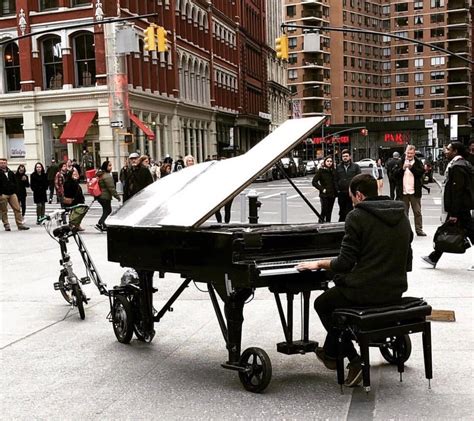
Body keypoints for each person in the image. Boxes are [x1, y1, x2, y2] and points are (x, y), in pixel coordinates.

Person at [296, 174, 412, 387]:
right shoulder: (401, 213)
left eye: (352, 197)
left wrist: (319, 264)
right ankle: (331, 352)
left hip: (366, 291)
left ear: (359, 194)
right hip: (395, 289)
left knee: (322, 303)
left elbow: (344, 263)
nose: (352, 202)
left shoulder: (357, 216)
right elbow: (408, 260)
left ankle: (353, 359)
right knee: (338, 293)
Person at [422, 142, 474, 268]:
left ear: (455, 151)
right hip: (460, 207)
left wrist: (454, 212)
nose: (446, 151)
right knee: (458, 230)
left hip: (459, 208)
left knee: (452, 230)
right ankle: (434, 257)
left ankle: (434, 257)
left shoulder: (457, 167)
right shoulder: (462, 164)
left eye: (448, 149)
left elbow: (458, 191)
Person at [392, 145, 426, 236]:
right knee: (404, 213)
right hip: (403, 192)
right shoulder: (400, 161)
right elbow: (394, 174)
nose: (409, 155)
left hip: (415, 192)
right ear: (405, 153)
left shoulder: (418, 162)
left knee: (417, 212)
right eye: (408, 153)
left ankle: (419, 229)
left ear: (414, 153)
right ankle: (405, 230)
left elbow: (421, 173)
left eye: (411, 153)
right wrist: (402, 169)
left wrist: (412, 168)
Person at [0, 158, 29, 230]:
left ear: (6, 163)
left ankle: (20, 224)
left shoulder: (10, 172)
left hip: (12, 193)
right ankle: (6, 224)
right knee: (4, 210)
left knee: (17, 208)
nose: (3, 164)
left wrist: (15, 190)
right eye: (1, 163)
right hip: (3, 194)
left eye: (4, 163)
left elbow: (15, 181)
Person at [335, 149, 361, 222]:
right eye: (343, 156)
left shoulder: (356, 167)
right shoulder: (338, 167)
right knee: (342, 211)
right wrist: (337, 190)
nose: (345, 158)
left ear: (350, 157)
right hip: (341, 193)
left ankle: (351, 224)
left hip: (352, 193)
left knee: (350, 210)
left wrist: (356, 190)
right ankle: (341, 226)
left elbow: (359, 178)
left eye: (346, 156)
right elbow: (335, 179)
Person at [95, 160, 121, 232]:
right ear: (105, 167)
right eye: (109, 165)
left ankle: (103, 224)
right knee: (108, 210)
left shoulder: (101, 174)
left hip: (100, 196)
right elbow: (111, 188)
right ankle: (100, 223)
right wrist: (117, 197)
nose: (111, 167)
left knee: (106, 210)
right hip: (105, 196)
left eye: (111, 165)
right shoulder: (107, 176)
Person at [312, 156, 337, 223]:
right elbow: (314, 182)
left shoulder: (333, 171)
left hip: (332, 194)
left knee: (329, 211)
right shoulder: (321, 171)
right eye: (328, 161)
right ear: (325, 162)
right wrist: (322, 189)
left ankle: (328, 224)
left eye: (330, 161)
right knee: (324, 211)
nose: (329, 163)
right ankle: (320, 223)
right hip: (324, 195)